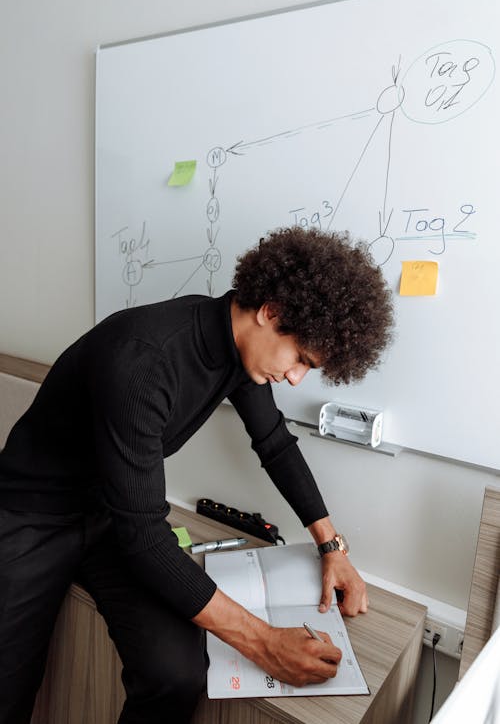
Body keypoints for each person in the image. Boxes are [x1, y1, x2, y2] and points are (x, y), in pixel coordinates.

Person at [0, 226, 393, 724]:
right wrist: (266, 644)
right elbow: (145, 536)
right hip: (30, 512)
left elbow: (274, 444)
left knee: (176, 674)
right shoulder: (146, 359)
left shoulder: (239, 352)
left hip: (110, 516)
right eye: (300, 359)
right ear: (270, 312)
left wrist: (331, 546)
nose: (297, 378)